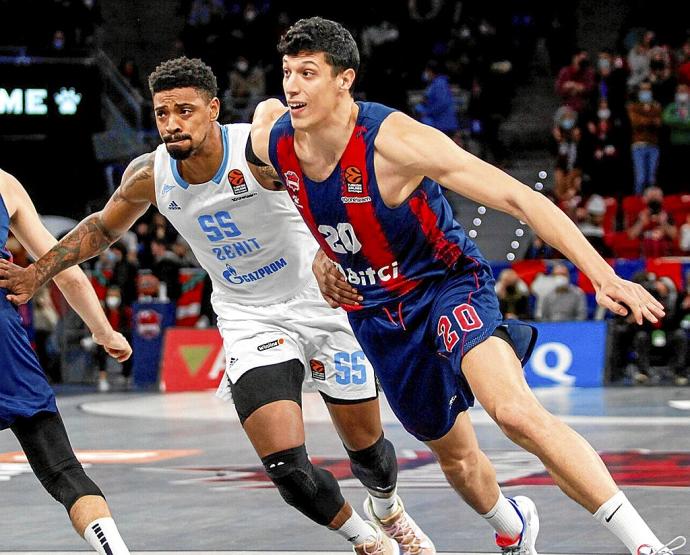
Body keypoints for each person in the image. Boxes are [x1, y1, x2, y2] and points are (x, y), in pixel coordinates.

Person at [247, 17, 684, 555]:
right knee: (454, 456)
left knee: (515, 412)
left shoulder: (396, 142)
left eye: (308, 73)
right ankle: (511, 523)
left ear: (345, 80)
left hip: (446, 286)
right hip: (377, 313)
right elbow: (276, 183)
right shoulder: (271, 137)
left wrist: (603, 274)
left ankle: (646, 546)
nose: (292, 86)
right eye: (287, 72)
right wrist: (318, 252)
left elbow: (522, 199)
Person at [0, 57, 433, 555]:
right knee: (288, 470)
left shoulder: (258, 151)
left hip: (319, 304)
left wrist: (326, 252)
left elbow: (332, 191)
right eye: (162, 113)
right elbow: (100, 227)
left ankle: (388, 505)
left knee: (369, 455)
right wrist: (37, 272)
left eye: (185, 111)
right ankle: (369, 540)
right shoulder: (151, 174)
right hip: (249, 317)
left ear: (214, 109)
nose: (172, 124)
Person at [0, 169, 132, 554]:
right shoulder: (5, 183)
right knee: (62, 469)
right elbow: (66, 273)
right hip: (3, 332)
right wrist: (104, 332)